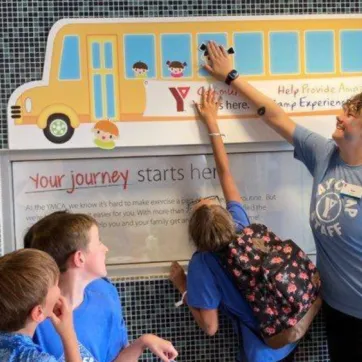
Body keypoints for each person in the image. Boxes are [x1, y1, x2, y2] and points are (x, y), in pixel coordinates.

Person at [194, 41, 362, 362]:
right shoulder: (325, 154)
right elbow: (275, 116)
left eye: (351, 115)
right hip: (333, 306)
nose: (340, 117)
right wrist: (230, 76)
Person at [170, 87, 297, 362]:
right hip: (293, 328)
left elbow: (210, 327)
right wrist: (212, 121)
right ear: (225, 215)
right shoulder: (241, 225)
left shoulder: (202, 262)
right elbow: (224, 171)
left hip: (264, 350)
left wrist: (182, 285)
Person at [25, 211, 178, 362]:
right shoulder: (33, 316)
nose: (105, 248)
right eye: (98, 242)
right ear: (79, 258)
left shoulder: (105, 291)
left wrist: (143, 342)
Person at [0, 249, 81, 362]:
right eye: (56, 284)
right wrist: (68, 333)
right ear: (38, 313)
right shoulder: (36, 359)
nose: (60, 290)